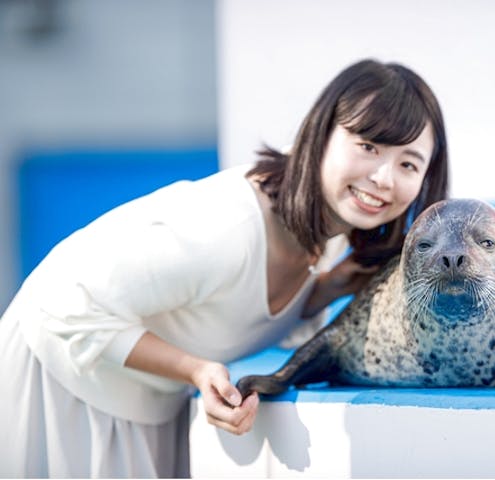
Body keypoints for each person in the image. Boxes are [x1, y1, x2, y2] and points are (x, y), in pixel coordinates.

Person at [0, 58, 449, 477]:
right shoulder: (226, 227)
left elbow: (239, 305)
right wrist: (195, 369)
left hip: (141, 407)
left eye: (408, 163)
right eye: (368, 145)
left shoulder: (326, 241)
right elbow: (61, 299)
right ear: (321, 134)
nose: (384, 178)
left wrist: (323, 292)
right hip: (59, 391)